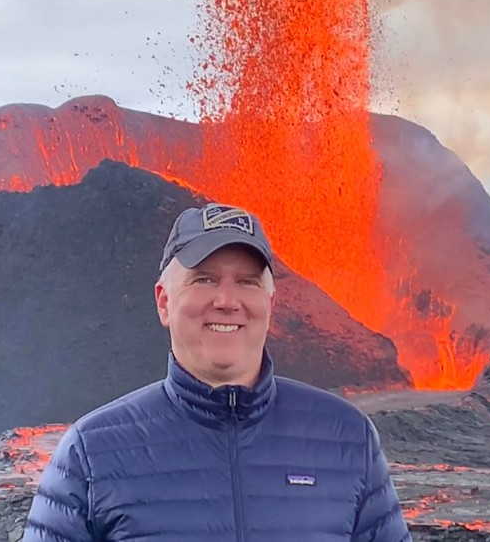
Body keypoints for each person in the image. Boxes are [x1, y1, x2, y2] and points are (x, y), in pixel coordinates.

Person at [23, 202, 412, 542]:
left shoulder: (347, 439)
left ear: (270, 303)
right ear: (164, 301)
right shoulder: (93, 452)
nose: (227, 301)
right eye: (204, 279)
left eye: (246, 282)